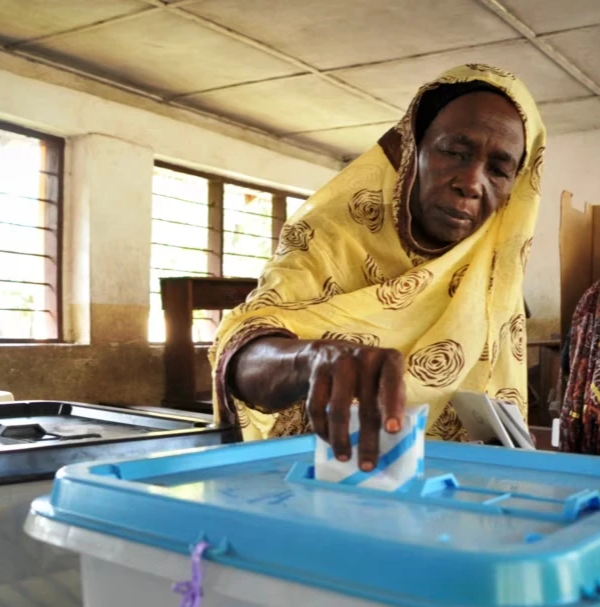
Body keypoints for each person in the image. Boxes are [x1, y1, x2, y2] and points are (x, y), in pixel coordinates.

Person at [210, 64, 546, 471]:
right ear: (412, 151)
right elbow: (242, 351)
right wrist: (313, 359)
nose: (472, 183)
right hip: (324, 476)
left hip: (452, 490)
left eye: (498, 169)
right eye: (454, 153)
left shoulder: (492, 269)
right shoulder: (331, 236)